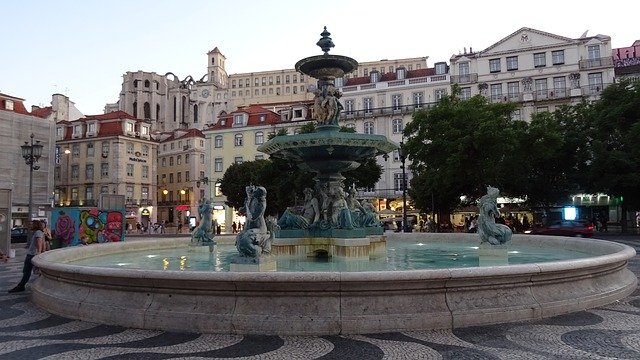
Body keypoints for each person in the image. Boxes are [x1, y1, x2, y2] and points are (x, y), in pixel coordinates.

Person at [8, 220, 45, 293]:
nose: (30, 225)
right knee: (30, 271)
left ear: (35, 225)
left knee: (27, 271)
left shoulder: (38, 232)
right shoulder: (38, 232)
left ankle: (21, 286)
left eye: (32, 224)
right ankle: (21, 286)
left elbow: (39, 242)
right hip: (33, 254)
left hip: (32, 255)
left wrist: (39, 253)